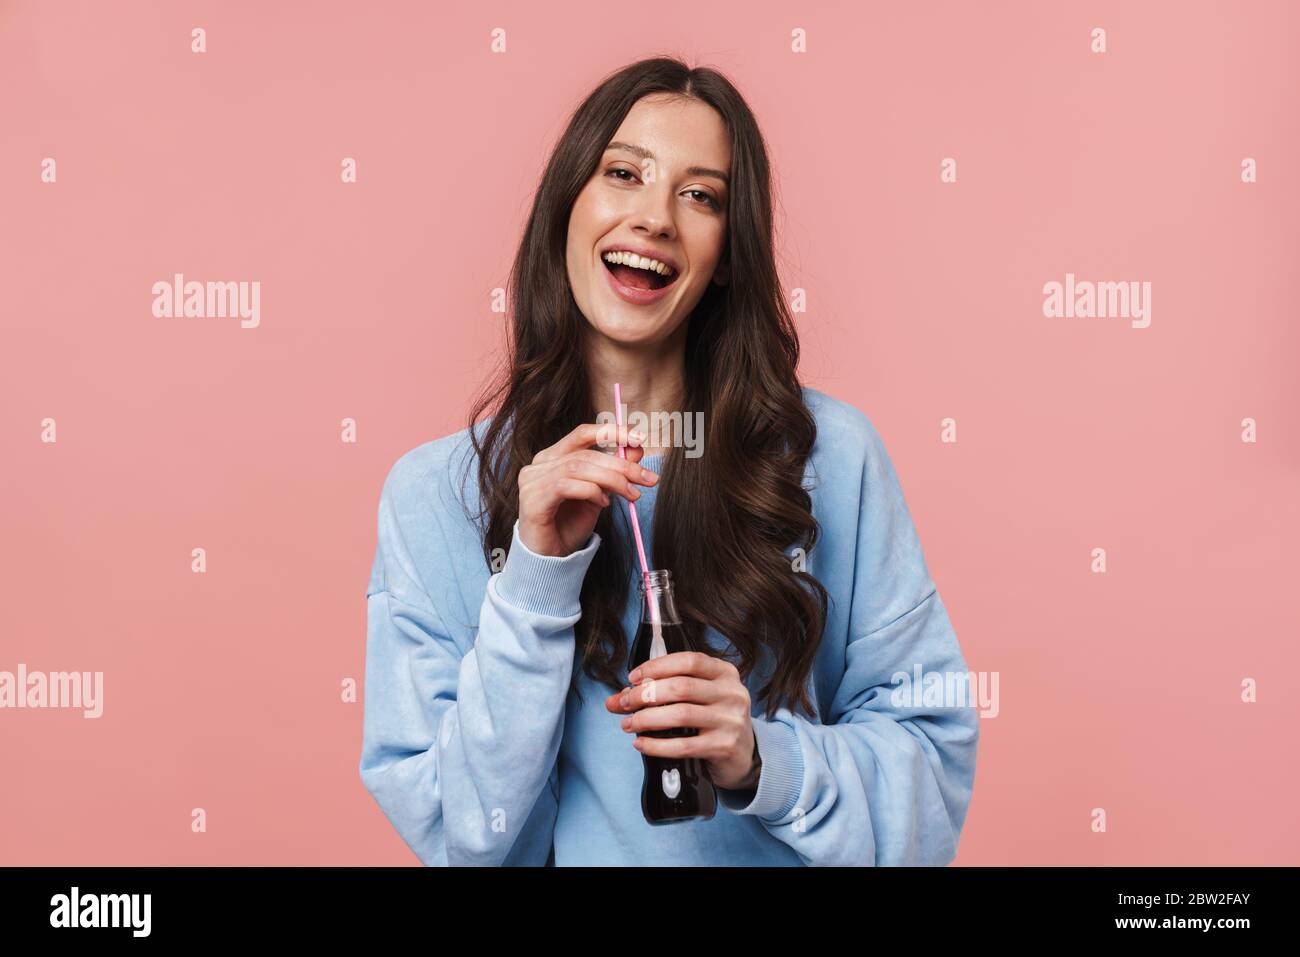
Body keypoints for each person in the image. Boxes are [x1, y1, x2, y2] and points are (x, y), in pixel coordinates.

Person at [358, 56, 979, 866]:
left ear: (725, 253)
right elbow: (462, 834)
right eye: (623, 173)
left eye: (700, 195)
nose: (655, 217)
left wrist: (764, 759)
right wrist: (536, 577)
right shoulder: (433, 498)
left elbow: (932, 784)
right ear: (566, 208)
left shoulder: (831, 457)